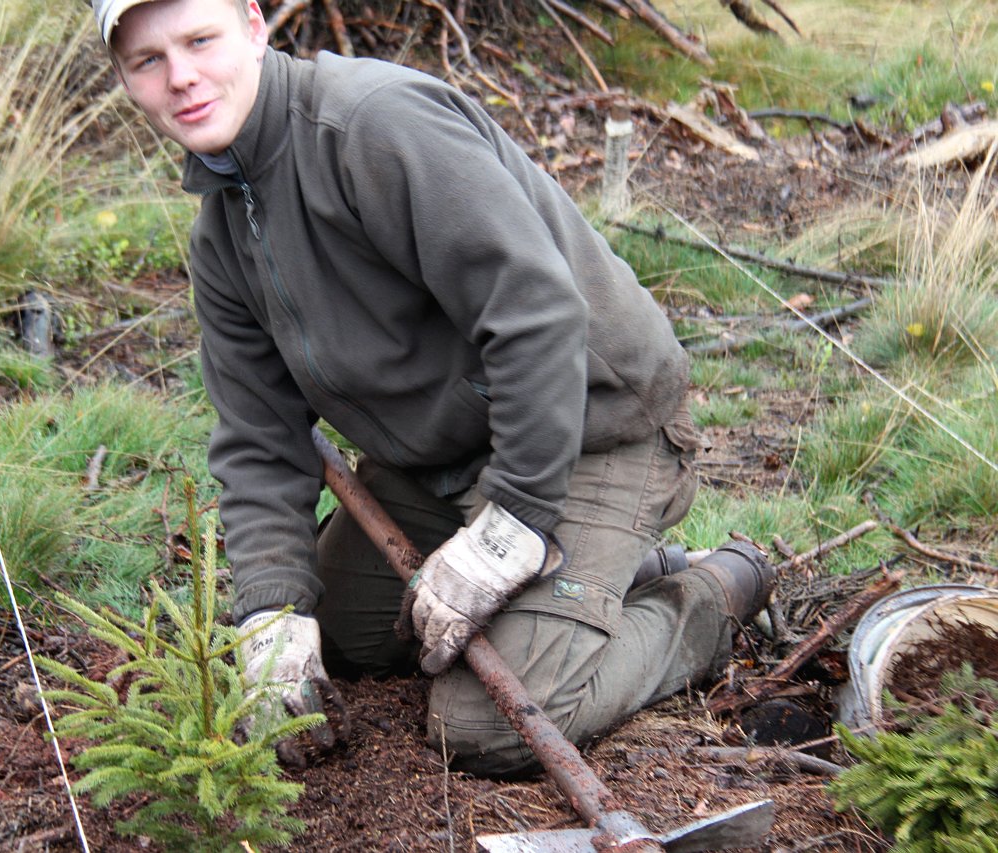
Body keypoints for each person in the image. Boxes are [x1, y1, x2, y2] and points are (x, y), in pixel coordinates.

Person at [89, 0, 776, 777]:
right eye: (148, 60)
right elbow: (260, 438)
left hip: (593, 427)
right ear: (125, 79)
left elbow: (536, 314)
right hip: (442, 462)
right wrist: (270, 609)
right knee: (338, 635)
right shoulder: (220, 237)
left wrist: (514, 520)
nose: (181, 77)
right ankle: (598, 581)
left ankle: (715, 588)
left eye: (199, 40)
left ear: (253, 24)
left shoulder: (373, 126)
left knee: (491, 725)